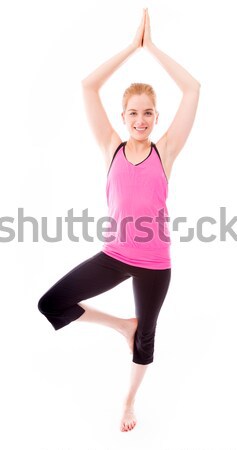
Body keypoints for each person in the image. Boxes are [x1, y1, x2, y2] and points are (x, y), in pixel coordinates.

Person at [38, 8, 200, 432]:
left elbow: (193, 89)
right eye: (133, 113)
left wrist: (154, 49)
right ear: (123, 116)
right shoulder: (111, 146)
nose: (141, 119)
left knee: (147, 340)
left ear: (156, 118)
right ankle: (119, 326)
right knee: (51, 303)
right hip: (114, 255)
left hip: (155, 263)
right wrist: (132, 48)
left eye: (148, 113)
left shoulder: (165, 151)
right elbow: (88, 86)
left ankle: (128, 403)